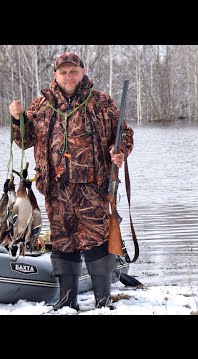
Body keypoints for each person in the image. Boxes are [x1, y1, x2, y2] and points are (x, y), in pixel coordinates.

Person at [8, 52, 134, 311]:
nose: (68, 76)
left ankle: (103, 301)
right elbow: (24, 140)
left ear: (82, 71)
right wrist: (17, 118)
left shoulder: (101, 102)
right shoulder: (40, 105)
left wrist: (119, 150)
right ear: (55, 74)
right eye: (63, 72)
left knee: (97, 243)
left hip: (93, 189)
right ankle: (66, 303)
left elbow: (124, 133)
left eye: (73, 71)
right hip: (56, 190)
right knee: (63, 244)